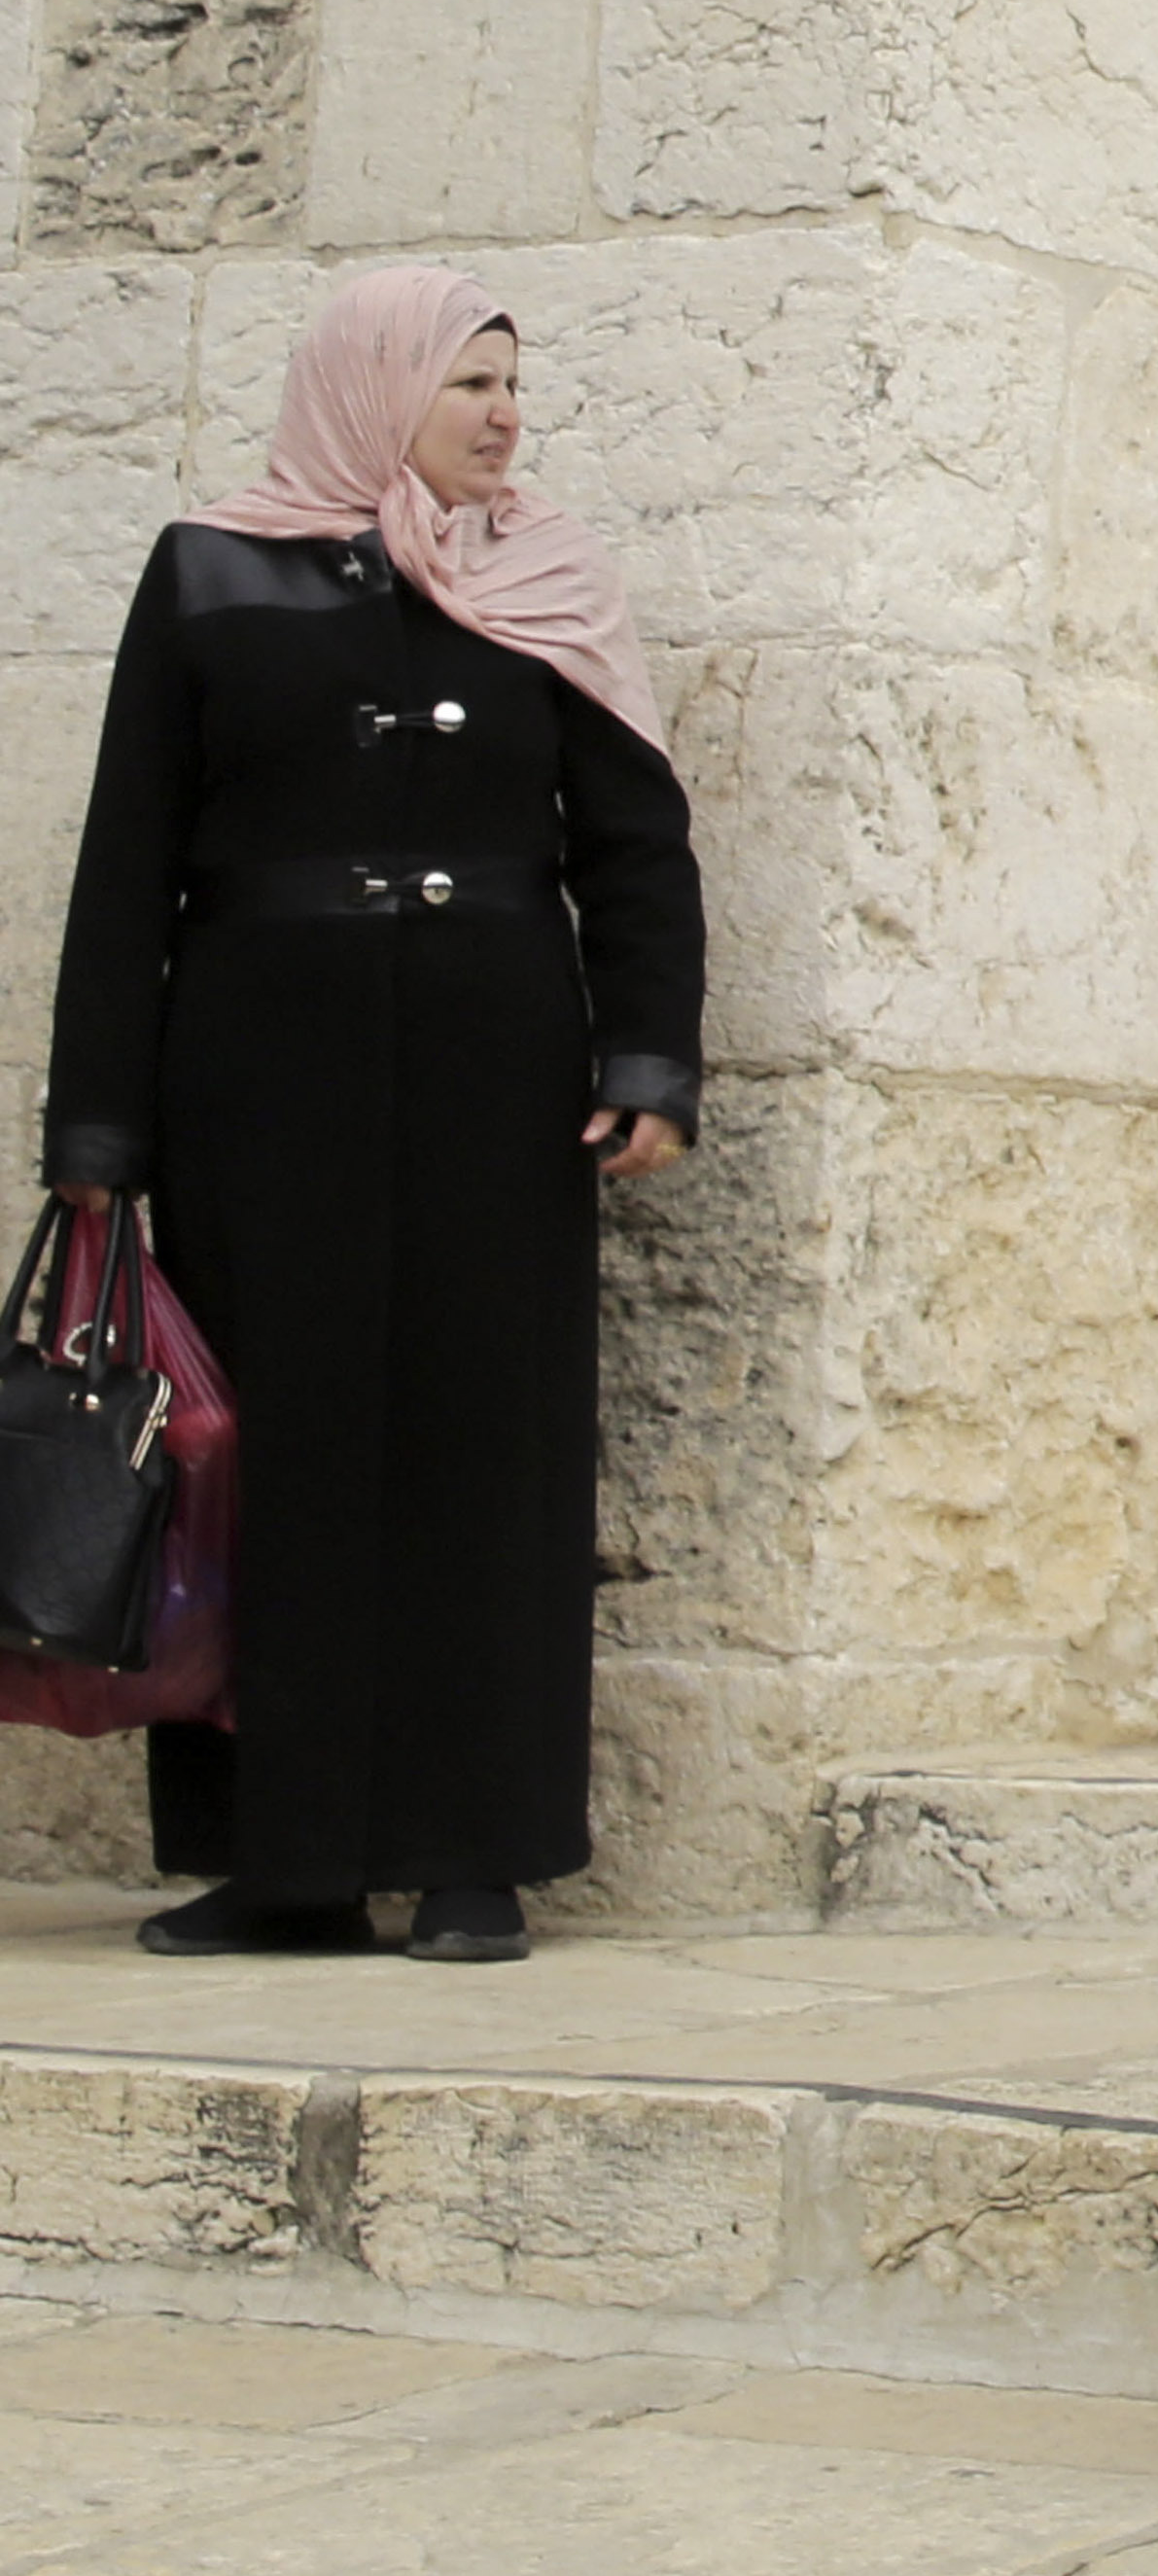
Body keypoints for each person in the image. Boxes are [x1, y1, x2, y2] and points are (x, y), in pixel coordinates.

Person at [44, 266, 705, 1965]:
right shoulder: (209, 571)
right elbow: (125, 868)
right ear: (373, 387)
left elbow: (632, 840)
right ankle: (292, 1868)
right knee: (282, 1461)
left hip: (497, 1068)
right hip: (258, 1071)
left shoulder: (542, 582)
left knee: (489, 1449)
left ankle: (475, 1857)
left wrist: (647, 1057)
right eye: (468, 384)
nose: (502, 415)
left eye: (512, 386)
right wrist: (97, 1140)